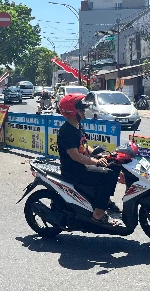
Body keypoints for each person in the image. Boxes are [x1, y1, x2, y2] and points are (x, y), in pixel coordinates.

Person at [57, 93, 121, 227]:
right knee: (107, 175)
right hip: (74, 170)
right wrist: (96, 162)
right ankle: (98, 215)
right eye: (81, 110)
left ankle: (104, 200)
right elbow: (76, 156)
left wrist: (99, 156)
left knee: (114, 165)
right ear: (73, 112)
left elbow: (84, 146)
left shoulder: (77, 126)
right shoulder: (66, 131)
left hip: (82, 165)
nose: (84, 112)